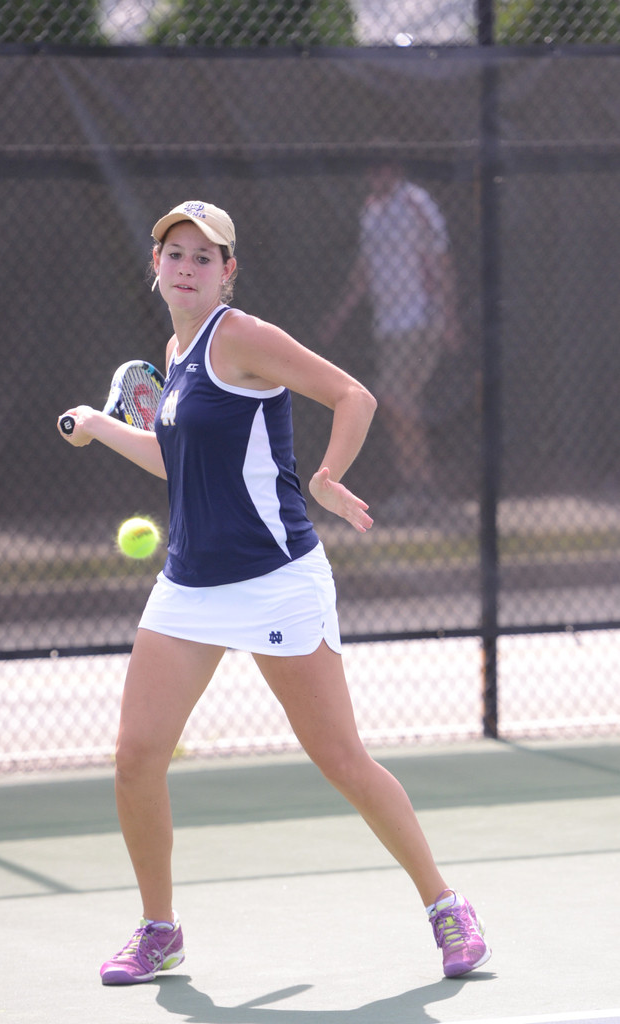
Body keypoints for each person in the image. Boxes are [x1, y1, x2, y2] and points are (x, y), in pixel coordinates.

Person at [58, 199, 490, 986]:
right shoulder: (176, 351)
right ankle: (161, 930)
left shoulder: (244, 338)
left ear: (227, 271)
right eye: (173, 254)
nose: (185, 268)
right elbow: (172, 461)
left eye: (203, 256)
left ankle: (446, 904)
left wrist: (326, 476)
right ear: (155, 268)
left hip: (276, 581)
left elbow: (354, 395)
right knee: (134, 758)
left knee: (340, 759)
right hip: (190, 585)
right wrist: (98, 422)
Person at [321, 162, 464, 516]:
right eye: (372, 169)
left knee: (395, 396)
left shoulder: (416, 202)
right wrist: (339, 316)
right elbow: (365, 272)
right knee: (397, 401)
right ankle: (416, 487)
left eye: (383, 168)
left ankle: (423, 486)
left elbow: (441, 259)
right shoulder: (371, 212)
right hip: (387, 325)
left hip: (420, 318)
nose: (376, 175)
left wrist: (449, 318)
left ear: (395, 170)